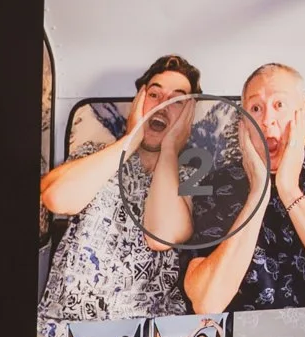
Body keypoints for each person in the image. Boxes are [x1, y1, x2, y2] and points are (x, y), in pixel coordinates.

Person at [184, 63, 305, 337]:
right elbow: (207, 300)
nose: (268, 119)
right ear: (243, 124)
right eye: (255, 108)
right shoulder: (215, 185)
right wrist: (259, 191)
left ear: (302, 116)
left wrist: (289, 190)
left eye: (279, 105)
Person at [37, 55, 201, 323]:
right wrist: (129, 139)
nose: (163, 105)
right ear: (138, 102)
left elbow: (160, 236)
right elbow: (55, 198)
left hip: (143, 336)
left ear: (188, 116)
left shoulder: (189, 176)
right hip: (65, 330)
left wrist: (171, 146)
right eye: (155, 94)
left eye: (177, 101)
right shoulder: (95, 153)